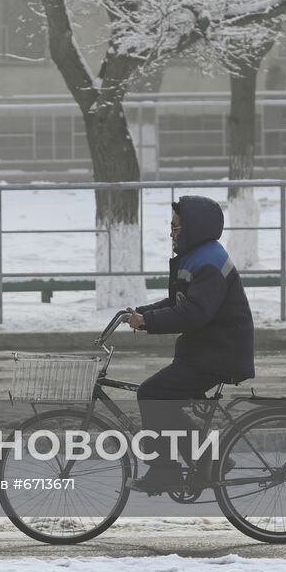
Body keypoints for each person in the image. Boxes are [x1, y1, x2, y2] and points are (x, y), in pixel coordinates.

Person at [123, 195, 255, 494]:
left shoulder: (208, 261)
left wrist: (148, 322)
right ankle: (211, 458)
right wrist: (143, 313)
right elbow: (178, 301)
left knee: (152, 393)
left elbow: (195, 313)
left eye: (177, 226)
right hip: (207, 350)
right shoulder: (198, 256)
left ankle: (164, 470)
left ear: (194, 227)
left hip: (219, 353)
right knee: (166, 403)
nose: (172, 231)